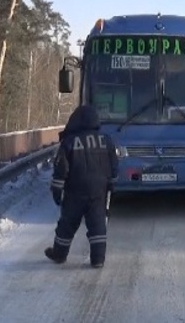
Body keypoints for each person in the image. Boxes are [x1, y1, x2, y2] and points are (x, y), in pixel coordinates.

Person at [45, 105, 119, 268]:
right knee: (98, 224)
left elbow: (61, 170)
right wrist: (112, 183)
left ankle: (59, 254)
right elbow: (114, 165)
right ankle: (98, 259)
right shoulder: (105, 140)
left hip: (75, 191)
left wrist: (57, 191)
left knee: (67, 223)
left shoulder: (70, 142)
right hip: (99, 189)